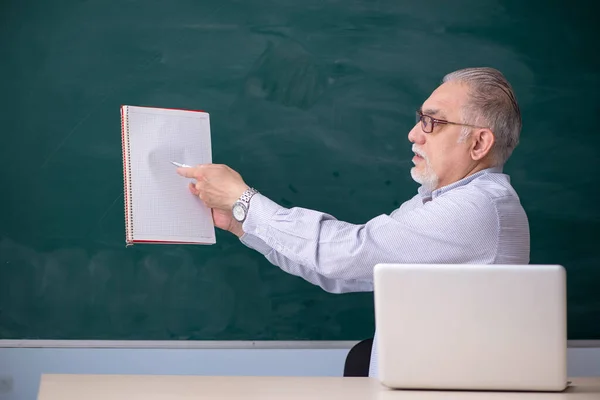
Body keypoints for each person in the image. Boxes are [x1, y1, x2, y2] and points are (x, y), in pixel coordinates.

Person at [176, 67, 530, 377]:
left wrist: (244, 201)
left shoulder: (476, 207)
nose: (413, 134)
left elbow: (346, 253)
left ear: (480, 143)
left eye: (432, 122)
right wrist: (241, 222)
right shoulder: (445, 201)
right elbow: (343, 272)